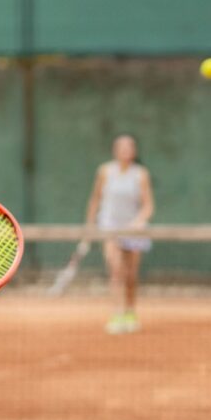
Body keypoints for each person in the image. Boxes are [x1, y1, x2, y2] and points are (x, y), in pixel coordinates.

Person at [86, 135, 154, 334]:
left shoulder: (141, 174)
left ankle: (130, 312)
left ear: (134, 151)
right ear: (115, 151)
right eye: (121, 147)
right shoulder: (105, 171)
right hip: (110, 228)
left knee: (131, 275)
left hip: (134, 231)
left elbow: (148, 205)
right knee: (116, 271)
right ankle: (117, 313)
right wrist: (90, 225)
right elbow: (95, 199)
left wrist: (138, 222)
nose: (125, 151)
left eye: (129, 147)